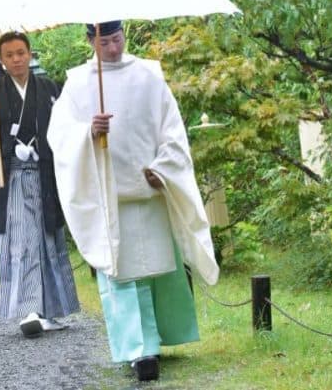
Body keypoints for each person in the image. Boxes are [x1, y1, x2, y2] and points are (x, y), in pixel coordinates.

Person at [46, 21, 220, 382]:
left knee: (160, 271)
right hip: (111, 199)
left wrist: (164, 167)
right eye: (105, 42)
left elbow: (173, 130)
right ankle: (140, 351)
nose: (113, 48)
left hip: (150, 189)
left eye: (117, 39)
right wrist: (88, 132)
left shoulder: (148, 75)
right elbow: (59, 136)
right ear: (91, 41)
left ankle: (163, 336)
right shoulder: (79, 83)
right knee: (124, 275)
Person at [0, 31, 79, 337]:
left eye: (21, 52)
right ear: (0, 60)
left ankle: (54, 309)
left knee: (49, 238)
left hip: (47, 174)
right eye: (9, 55)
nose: (16, 59)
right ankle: (29, 310)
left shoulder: (49, 88)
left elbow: (68, 125)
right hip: (16, 178)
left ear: (30, 53)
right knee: (23, 241)